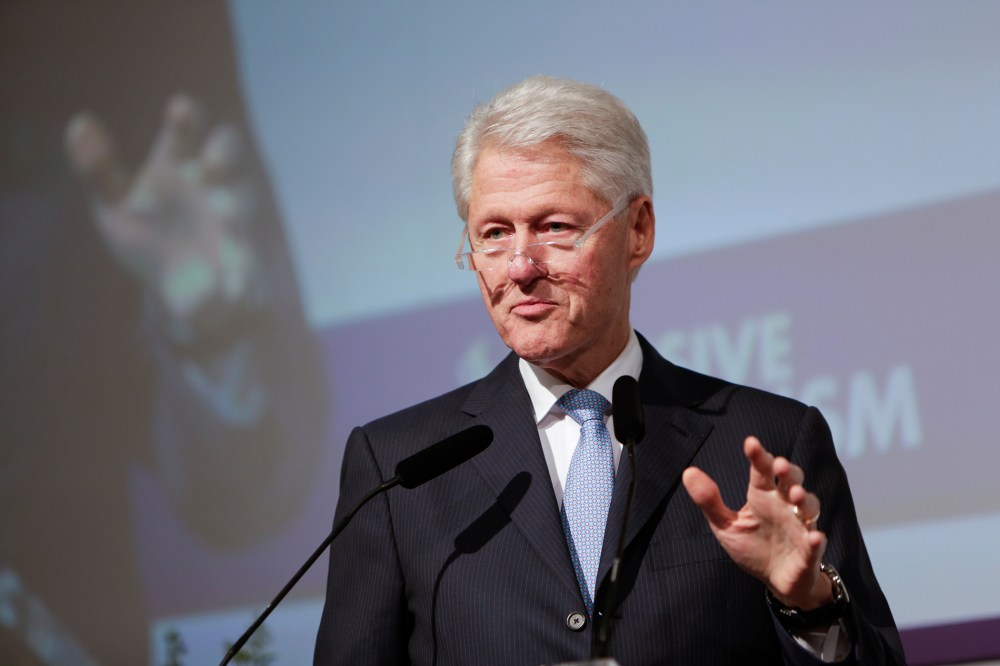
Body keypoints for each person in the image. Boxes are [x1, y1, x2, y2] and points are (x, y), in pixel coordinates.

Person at [314, 75, 904, 665]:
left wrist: (808, 605)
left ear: (638, 230)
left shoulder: (771, 440)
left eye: (555, 227)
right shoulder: (396, 469)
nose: (519, 267)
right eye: (493, 234)